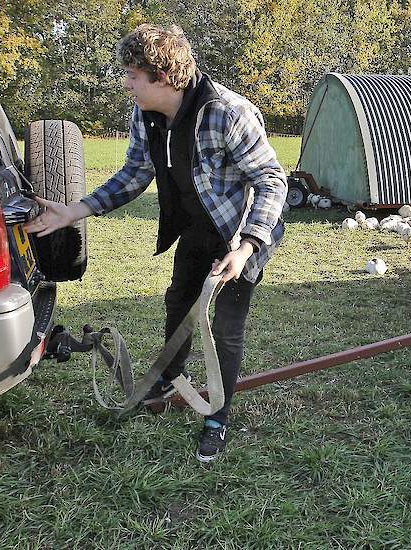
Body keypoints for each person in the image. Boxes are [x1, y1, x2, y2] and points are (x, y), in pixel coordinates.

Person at [24, 24, 286, 463]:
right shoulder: (146, 114)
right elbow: (133, 174)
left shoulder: (227, 112)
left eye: (132, 74)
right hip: (195, 229)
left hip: (240, 231)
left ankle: (217, 417)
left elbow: (271, 179)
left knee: (224, 328)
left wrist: (247, 246)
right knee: (179, 303)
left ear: (162, 76)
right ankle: (168, 378)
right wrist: (75, 211)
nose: (125, 83)